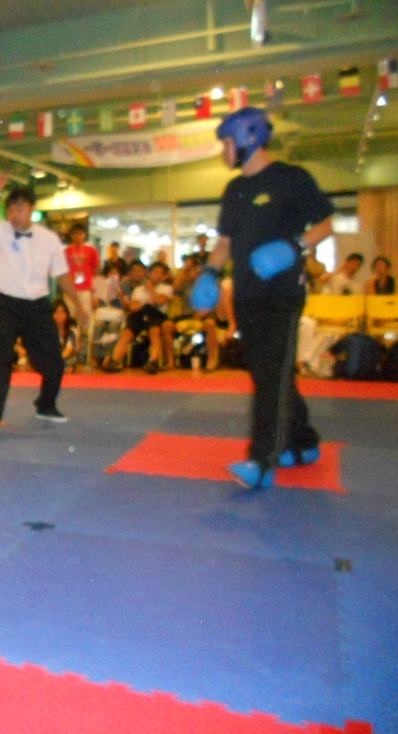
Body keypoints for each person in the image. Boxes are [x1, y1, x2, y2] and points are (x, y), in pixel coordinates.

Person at [192, 106, 333, 488]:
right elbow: (225, 243)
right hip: (247, 295)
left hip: (283, 292)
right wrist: (209, 272)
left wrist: (295, 246)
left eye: (226, 142)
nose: (223, 151)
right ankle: (304, 442)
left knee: (271, 373)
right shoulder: (234, 190)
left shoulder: (291, 178)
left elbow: (325, 224)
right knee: (269, 373)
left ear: (247, 138)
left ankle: (263, 459)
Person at [0, 177, 89, 445]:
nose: (14, 214)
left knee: (55, 363)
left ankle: (46, 405)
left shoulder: (49, 239)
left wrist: (79, 306)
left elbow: (62, 275)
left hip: (38, 306)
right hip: (6, 305)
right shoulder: (0, 231)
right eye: (11, 209)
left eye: (20, 208)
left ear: (32, 209)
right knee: (0, 362)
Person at [102, 260, 169, 375]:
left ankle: (152, 362)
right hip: (139, 314)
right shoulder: (139, 289)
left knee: (154, 332)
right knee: (126, 333)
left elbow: (159, 300)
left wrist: (150, 290)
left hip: (155, 315)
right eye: (155, 272)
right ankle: (114, 361)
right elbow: (133, 306)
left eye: (161, 273)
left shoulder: (166, 288)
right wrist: (146, 302)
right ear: (149, 273)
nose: (158, 275)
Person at [63, 222, 99, 321]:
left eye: (80, 234)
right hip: (70, 288)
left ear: (84, 235)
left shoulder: (91, 250)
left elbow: (95, 269)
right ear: (71, 235)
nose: (78, 236)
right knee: (70, 315)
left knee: (86, 315)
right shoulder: (66, 251)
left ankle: (86, 332)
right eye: (75, 234)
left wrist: (93, 288)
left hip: (86, 288)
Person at [53, 299, 79, 372]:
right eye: (55, 312)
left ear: (67, 314)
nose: (58, 315)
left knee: (72, 360)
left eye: (61, 312)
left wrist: (56, 360)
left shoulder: (72, 331)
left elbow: (69, 349)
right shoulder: (48, 329)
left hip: (65, 358)